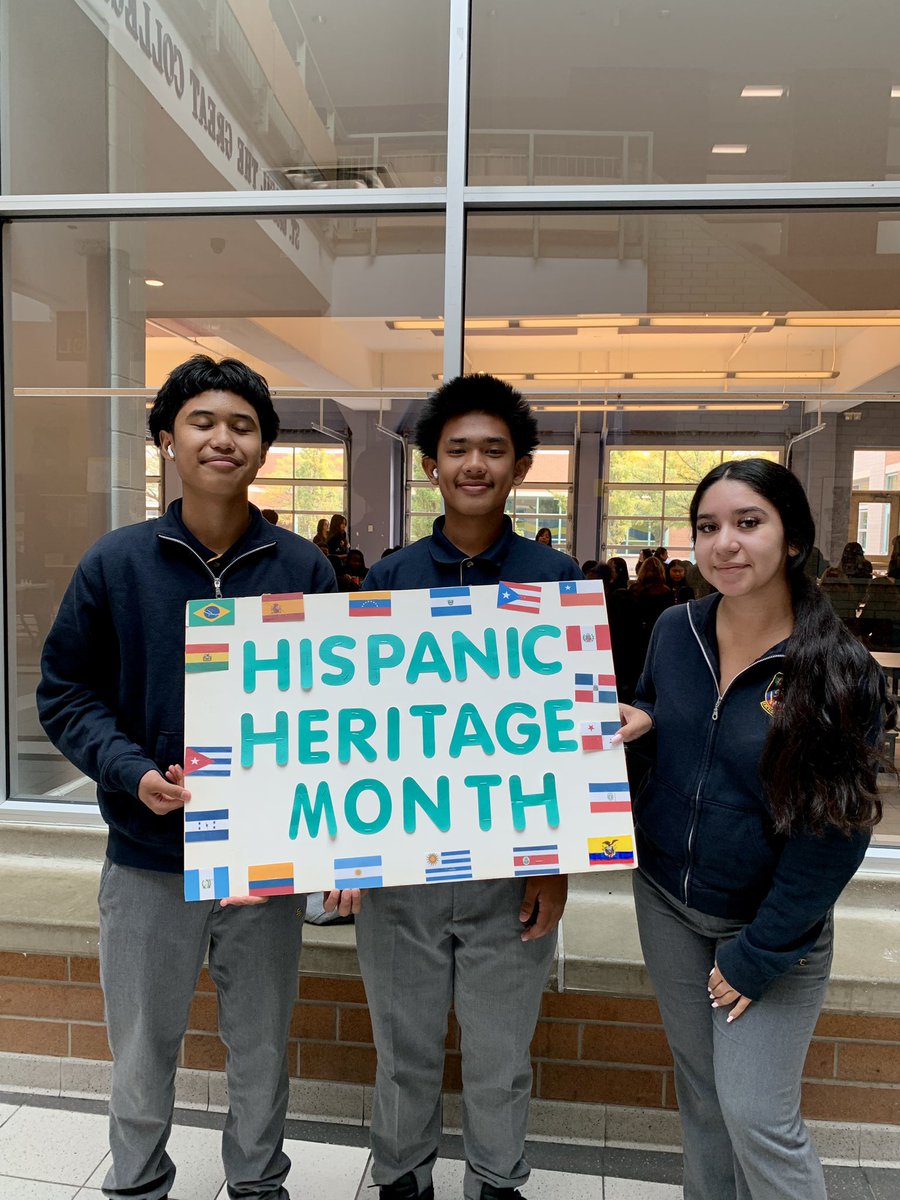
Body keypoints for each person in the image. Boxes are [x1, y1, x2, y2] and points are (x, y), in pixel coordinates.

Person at [37, 355, 338, 1200]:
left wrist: (326, 848)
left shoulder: (302, 567)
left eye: (243, 426)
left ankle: (257, 1184)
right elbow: (64, 692)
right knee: (141, 1044)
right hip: (147, 855)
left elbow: (337, 714)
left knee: (262, 1042)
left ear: (265, 448)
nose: (223, 439)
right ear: (167, 439)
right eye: (203, 422)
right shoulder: (117, 562)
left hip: (264, 861)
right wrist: (132, 773)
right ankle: (136, 1184)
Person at [614, 458, 890, 1200]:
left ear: (792, 538)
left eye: (748, 523)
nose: (724, 544)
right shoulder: (675, 629)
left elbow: (836, 835)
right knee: (703, 1099)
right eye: (708, 528)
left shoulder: (837, 671)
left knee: (757, 1114)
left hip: (771, 928)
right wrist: (644, 723)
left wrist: (759, 952)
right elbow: (667, 713)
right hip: (668, 901)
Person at [337, 374, 580, 1200]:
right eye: (458, 449)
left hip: (511, 872)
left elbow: (572, 738)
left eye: (494, 450)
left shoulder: (557, 579)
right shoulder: (391, 581)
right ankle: (402, 1178)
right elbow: (350, 729)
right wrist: (348, 852)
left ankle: (496, 1180)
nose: (475, 464)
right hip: (400, 868)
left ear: (518, 467)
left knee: (501, 1054)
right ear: (432, 466)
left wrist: (557, 864)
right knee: (402, 1049)